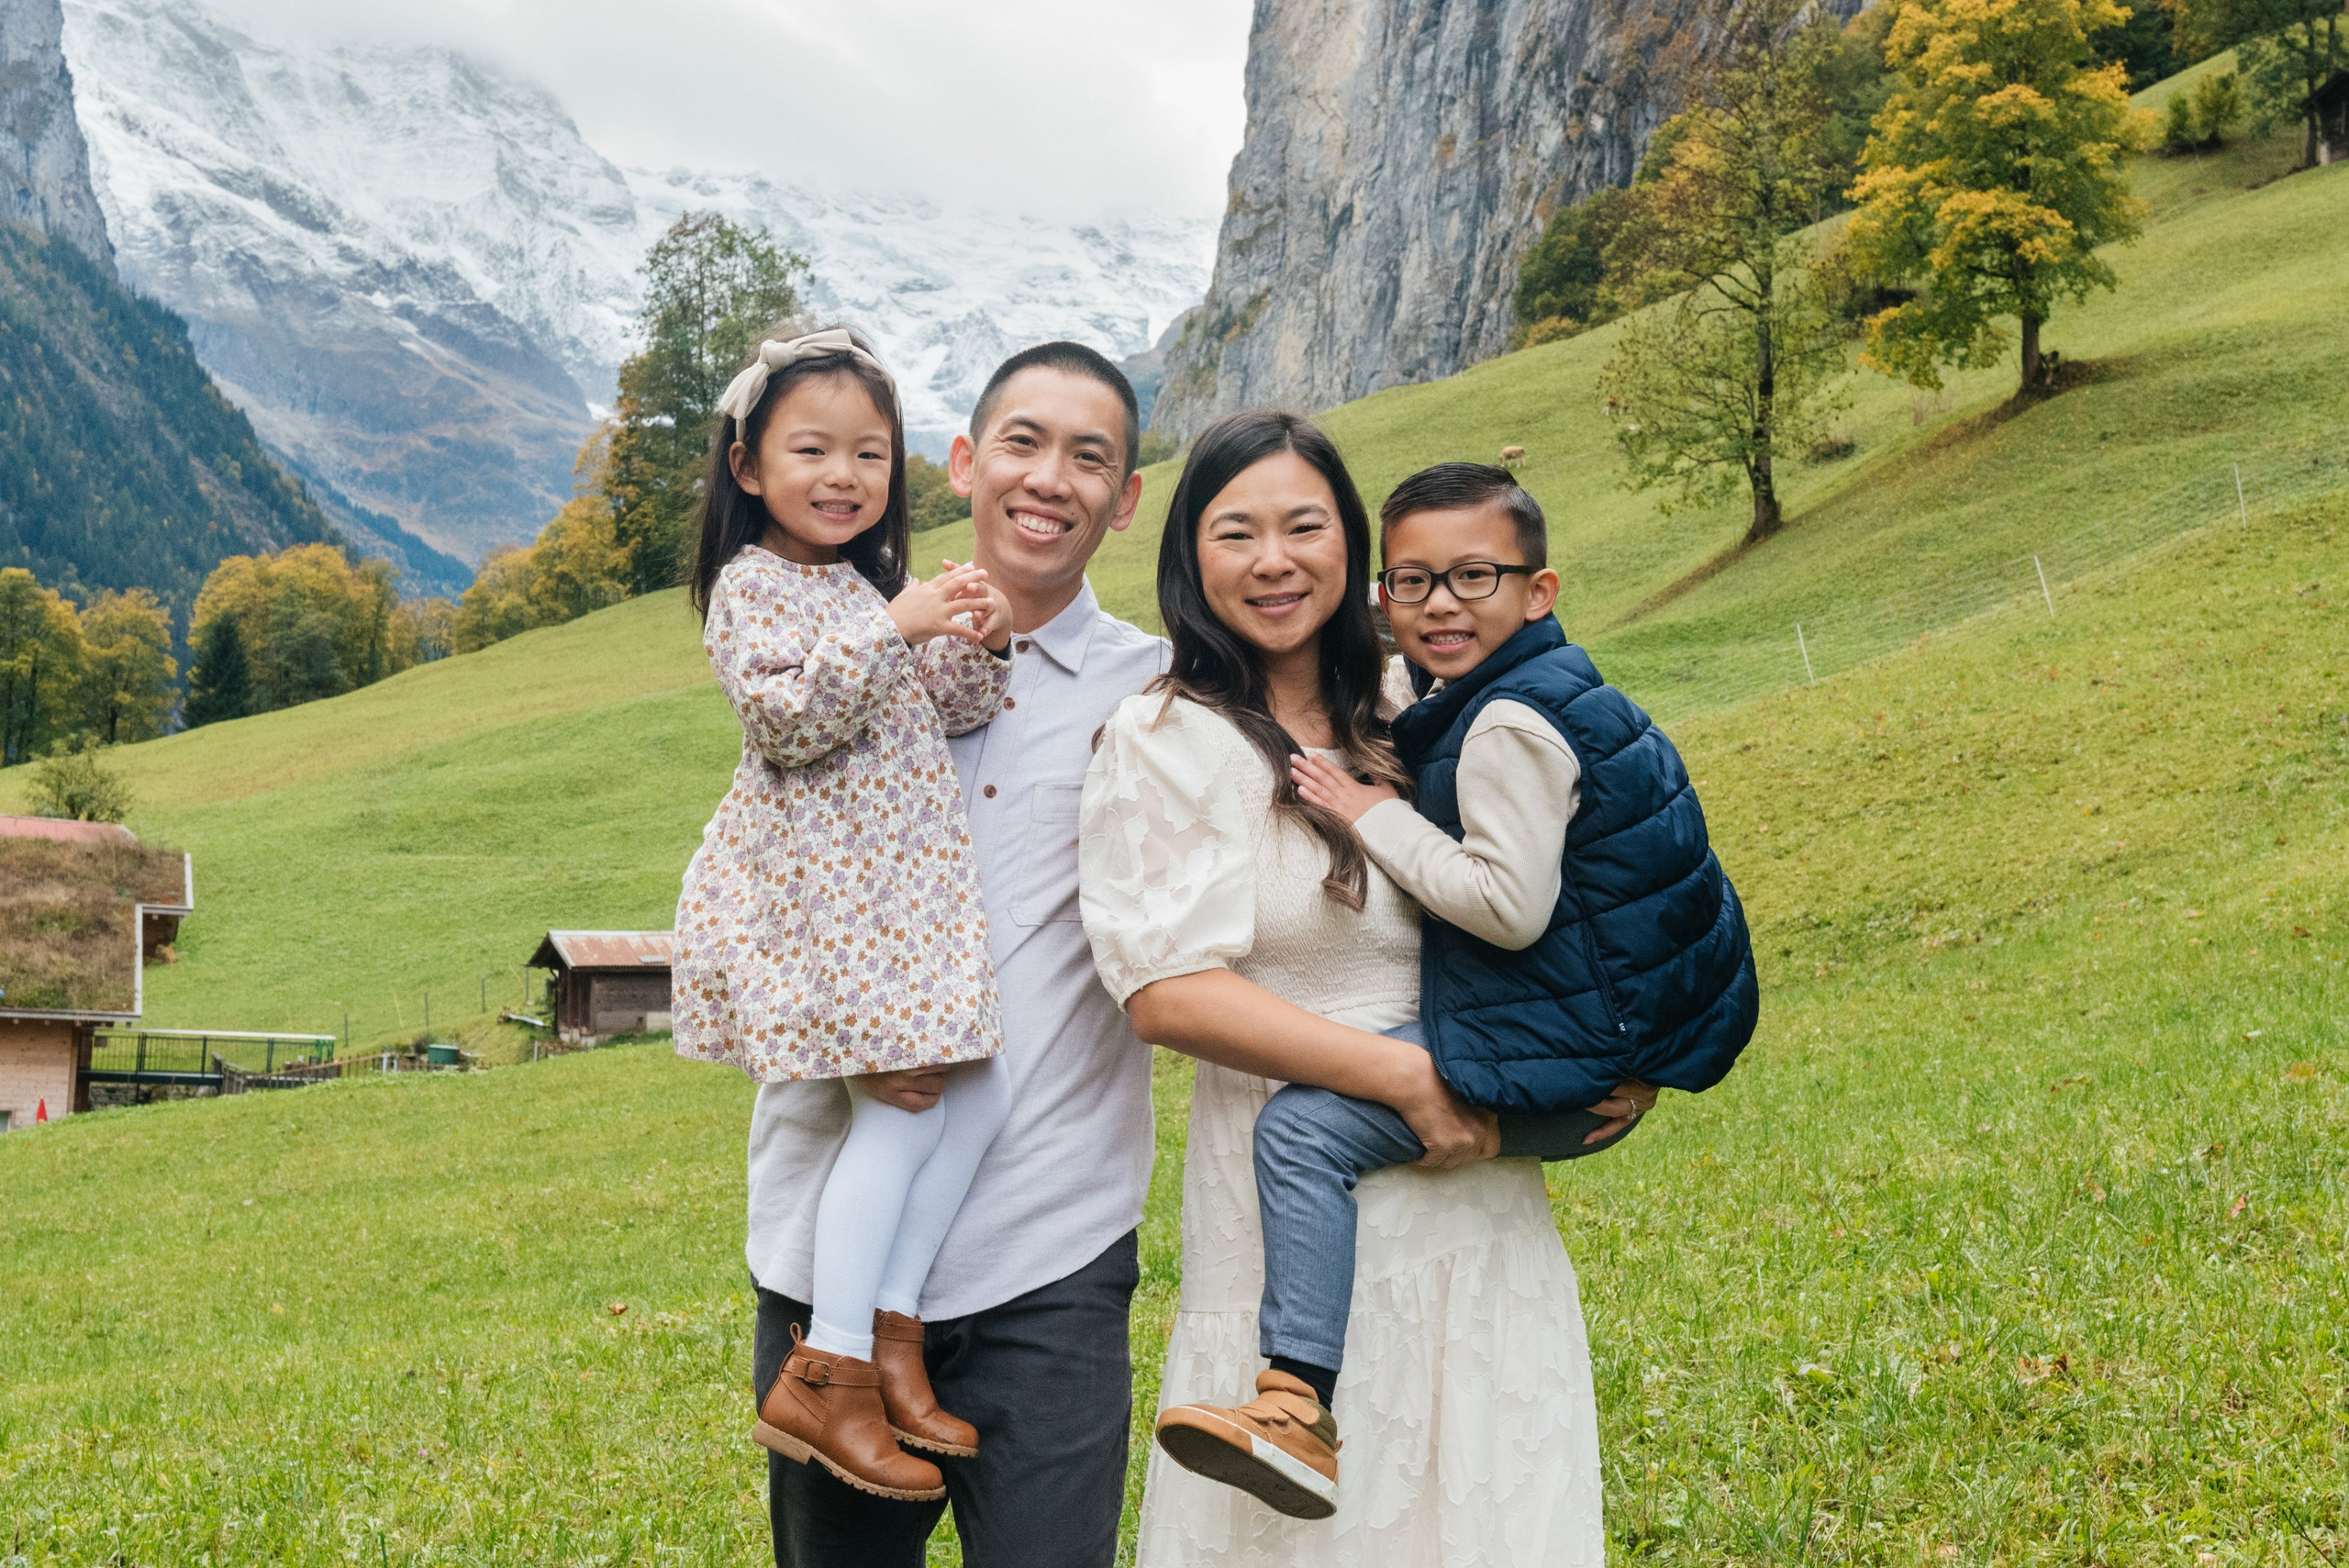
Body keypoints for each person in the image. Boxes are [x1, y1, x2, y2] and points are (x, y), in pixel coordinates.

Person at [1162, 462, 1758, 1517]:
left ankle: (1294, 1400)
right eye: (1412, 581)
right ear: (1380, 596)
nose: (1440, 603)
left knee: (1302, 1134)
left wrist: (1367, 813)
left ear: (1541, 590)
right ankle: (1513, 1127)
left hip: (1565, 1048)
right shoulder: (1546, 695)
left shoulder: (1503, 723)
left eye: (1475, 576)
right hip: (1594, 1044)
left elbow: (1508, 904)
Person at [1078, 413, 1617, 1563]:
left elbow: (1555, 887)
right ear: (1190, 555)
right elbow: (1165, 990)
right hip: (1285, 1249)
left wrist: (1622, 1056)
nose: (1273, 559)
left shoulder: (1422, 697)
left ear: (1353, 546)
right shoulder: (1161, 737)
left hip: (1478, 1212)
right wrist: (1403, 1078)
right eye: (1237, 531)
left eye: (1304, 525)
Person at [733, 340, 1169, 1567]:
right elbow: (753, 885)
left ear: (1125, 499)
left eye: (1091, 457)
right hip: (827, 1239)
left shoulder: (1156, 692)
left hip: (1049, 1250)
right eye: (1024, 442)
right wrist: (851, 1036)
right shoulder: (840, 657)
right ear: (966, 463)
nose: (1052, 479)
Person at [672, 324, 1019, 1503]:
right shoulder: (751, 586)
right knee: (906, 1105)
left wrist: (980, 634)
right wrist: (899, 623)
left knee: (981, 1090)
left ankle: (892, 1329)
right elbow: (784, 719)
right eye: (810, 448)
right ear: (747, 467)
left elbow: (951, 707)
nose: (843, 475)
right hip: (825, 907)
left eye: (869, 453)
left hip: (899, 901)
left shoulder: (870, 585)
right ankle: (829, 1363)